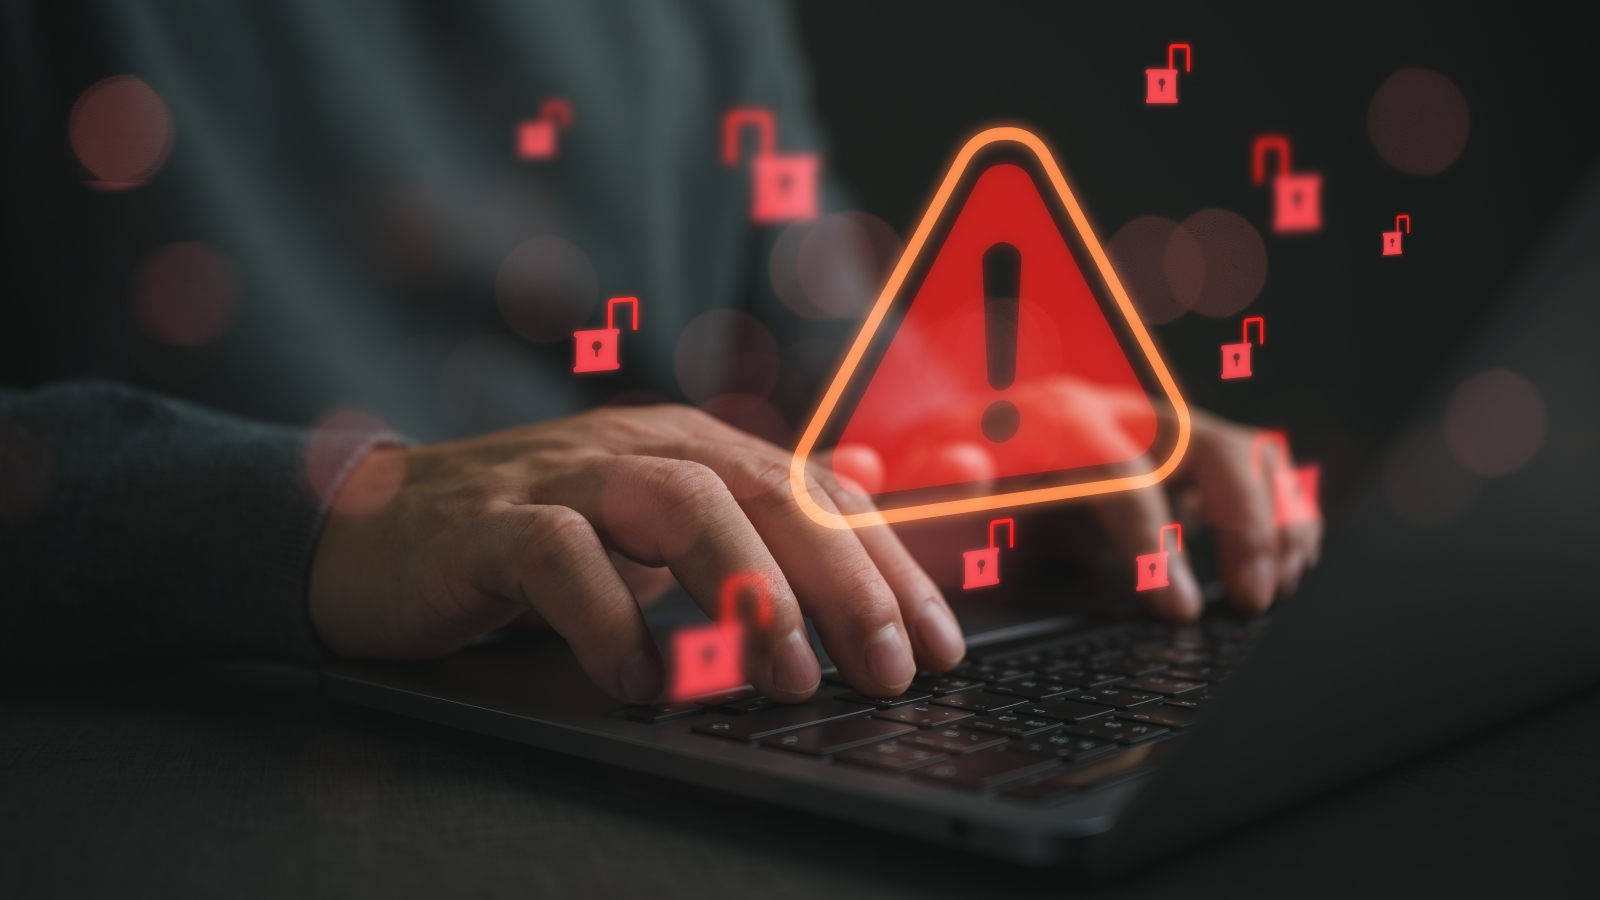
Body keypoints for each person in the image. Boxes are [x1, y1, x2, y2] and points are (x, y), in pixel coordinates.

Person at [0, 1, 1320, 705]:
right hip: (210, 751)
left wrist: (962, 444)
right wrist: (322, 519)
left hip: (674, 705)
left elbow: (802, 313)